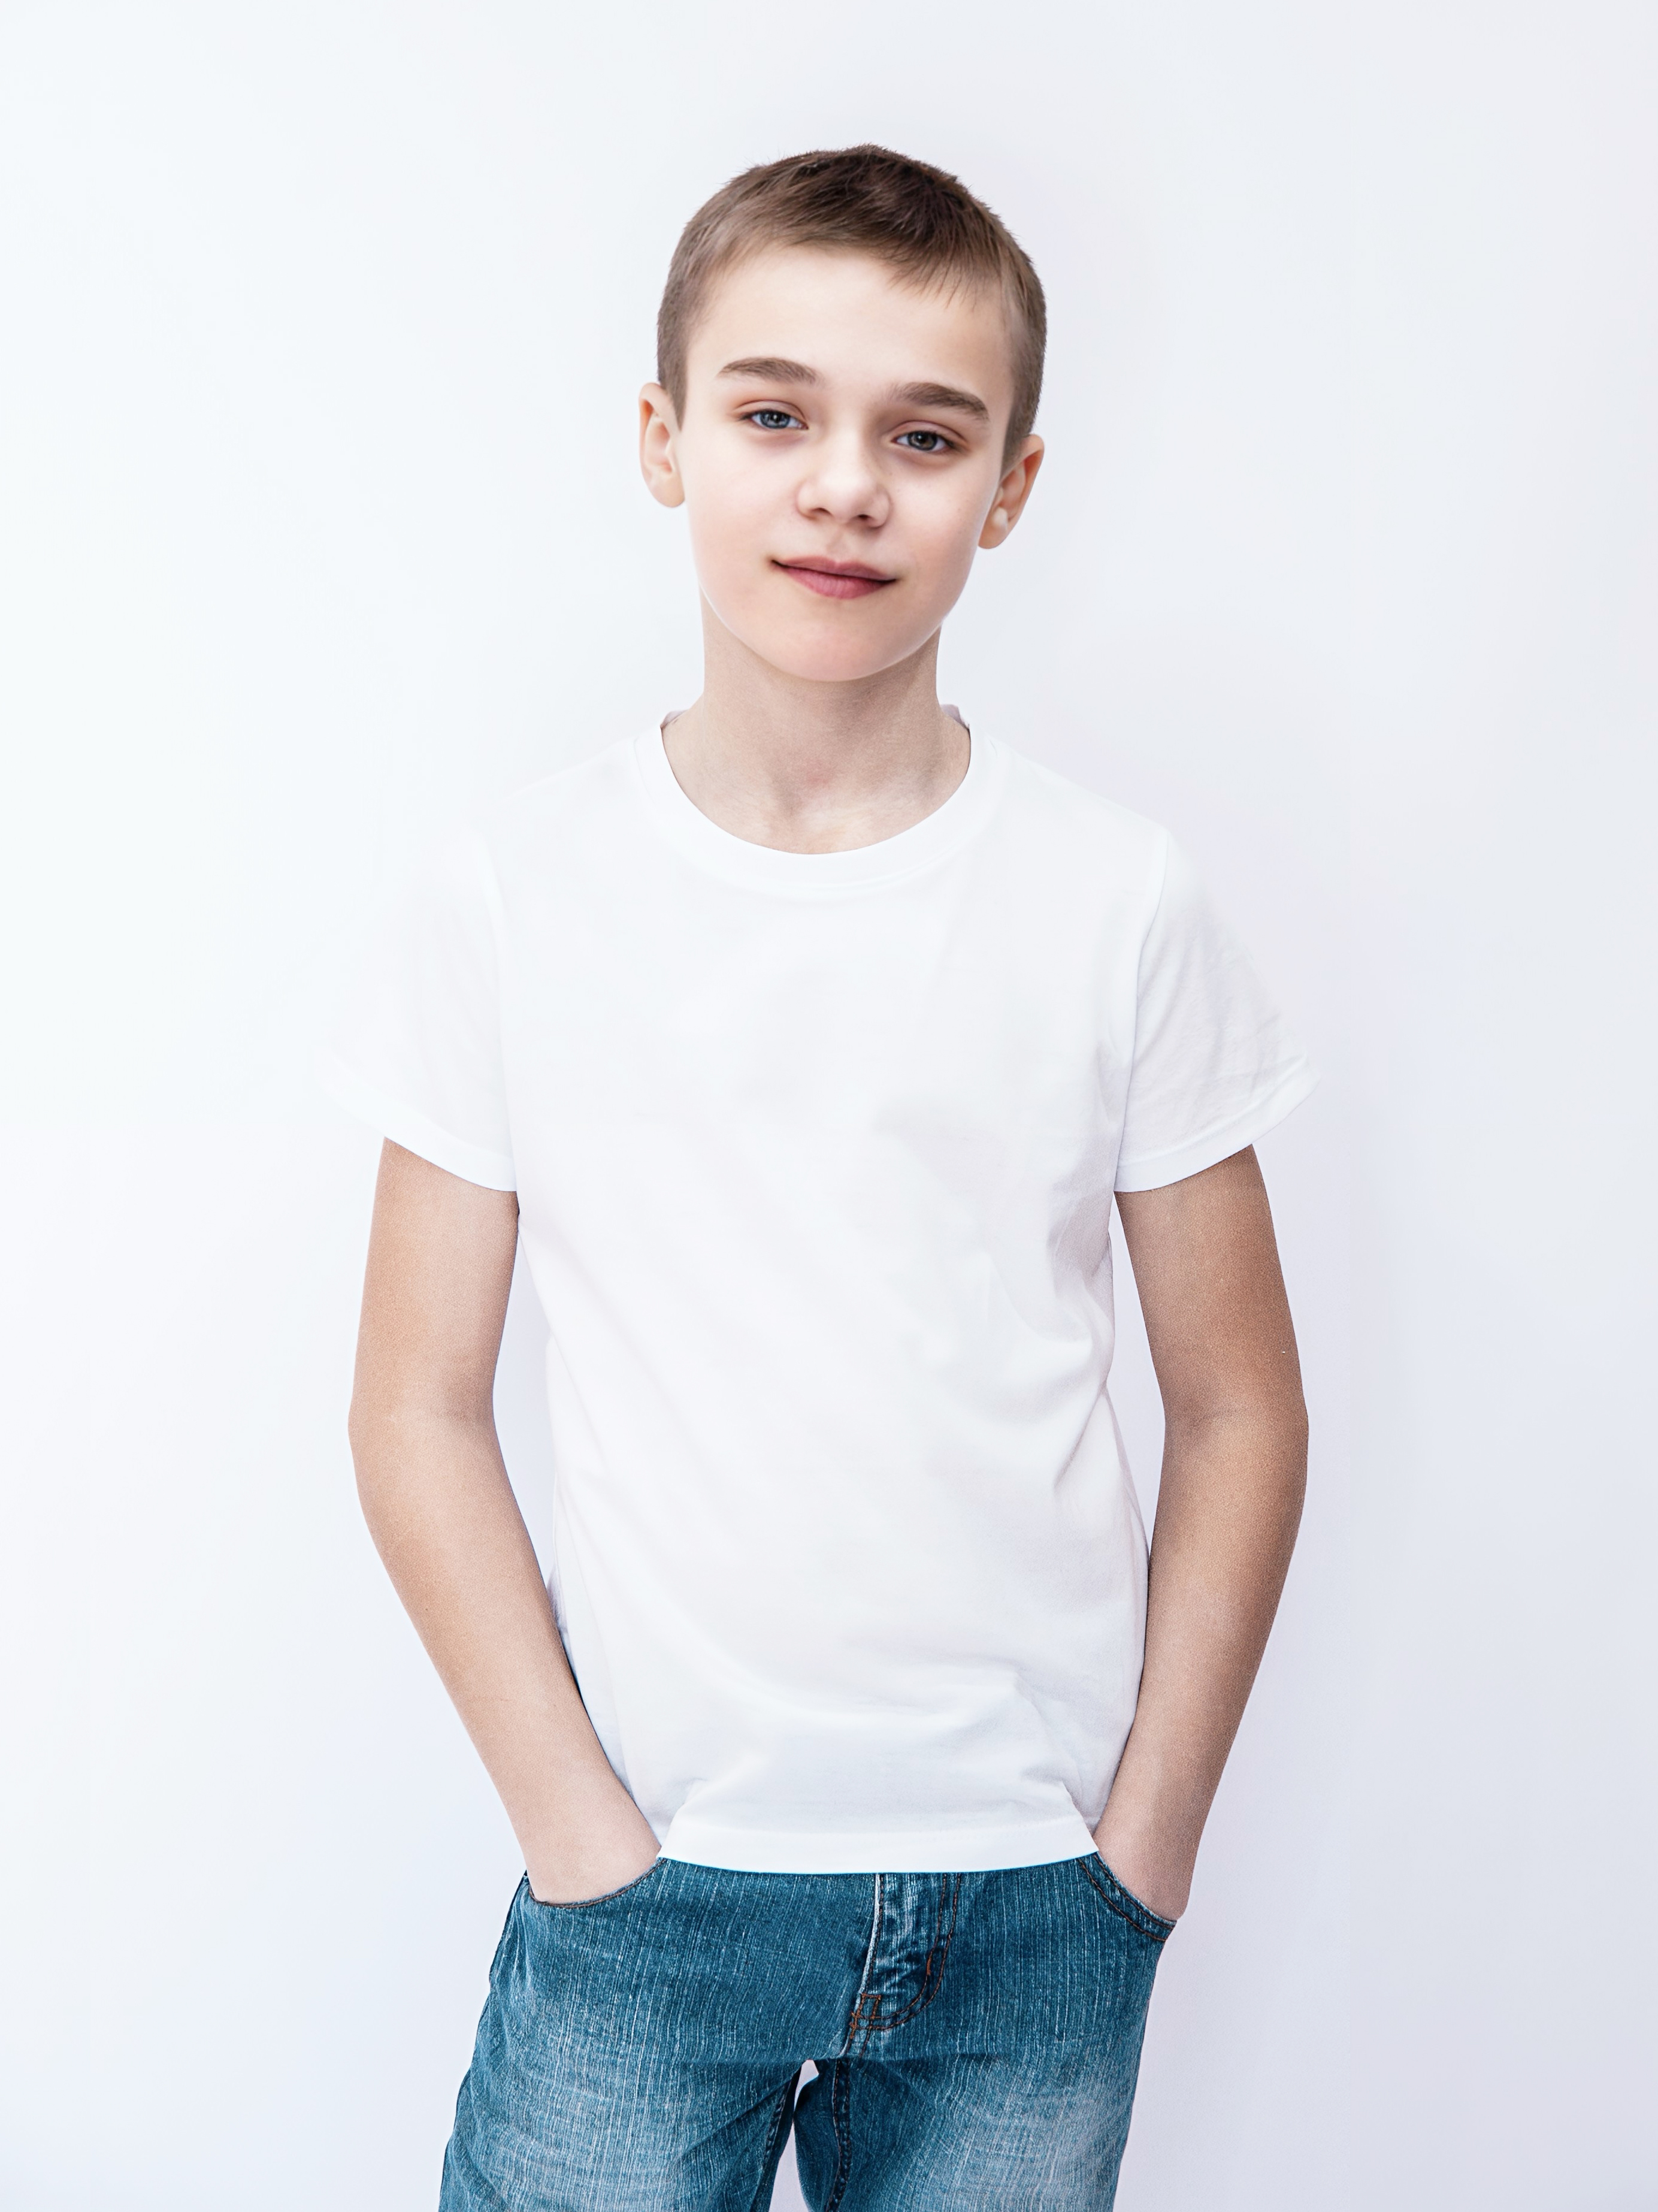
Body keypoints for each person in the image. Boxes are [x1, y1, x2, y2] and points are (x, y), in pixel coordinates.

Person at [326, 144, 1315, 2212]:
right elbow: (415, 1401)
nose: (845, 484)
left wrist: (1146, 1843)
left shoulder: (1116, 900)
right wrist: (578, 1831)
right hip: (654, 1890)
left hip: (1035, 1905)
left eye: (923, 436)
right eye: (774, 414)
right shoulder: (513, 895)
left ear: (1010, 487)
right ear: (663, 438)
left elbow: (1239, 1397)